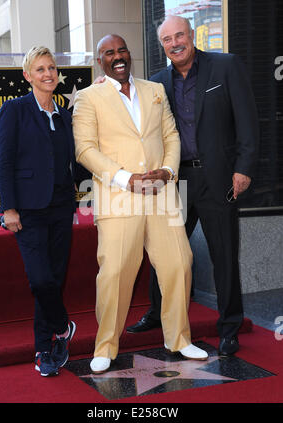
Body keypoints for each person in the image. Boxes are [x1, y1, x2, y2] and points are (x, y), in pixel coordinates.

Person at [72, 34, 208, 375]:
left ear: (128, 54)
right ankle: (106, 346)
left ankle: (178, 338)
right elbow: (85, 149)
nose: (117, 56)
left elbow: (171, 137)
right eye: (108, 53)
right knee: (116, 274)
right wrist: (125, 178)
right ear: (99, 61)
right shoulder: (89, 98)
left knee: (180, 263)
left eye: (121, 50)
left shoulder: (155, 90)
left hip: (161, 195)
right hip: (118, 197)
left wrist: (168, 170)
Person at [127, 16, 259, 357]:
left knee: (224, 255)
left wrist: (243, 168)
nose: (175, 43)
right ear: (163, 45)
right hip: (175, 183)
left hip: (219, 178)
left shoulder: (226, 66)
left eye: (179, 35)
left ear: (192, 35)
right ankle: (158, 313)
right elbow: (128, 110)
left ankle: (229, 326)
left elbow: (247, 120)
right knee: (164, 252)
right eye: (167, 39)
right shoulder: (156, 84)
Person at [0, 46, 76, 377]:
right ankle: (62, 326)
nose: (48, 74)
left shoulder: (64, 114)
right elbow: (5, 160)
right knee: (40, 279)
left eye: (52, 68)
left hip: (61, 208)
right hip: (27, 211)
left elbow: (75, 160)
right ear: (28, 76)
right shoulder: (15, 110)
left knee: (54, 279)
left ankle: (45, 349)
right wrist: (9, 208)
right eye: (40, 69)